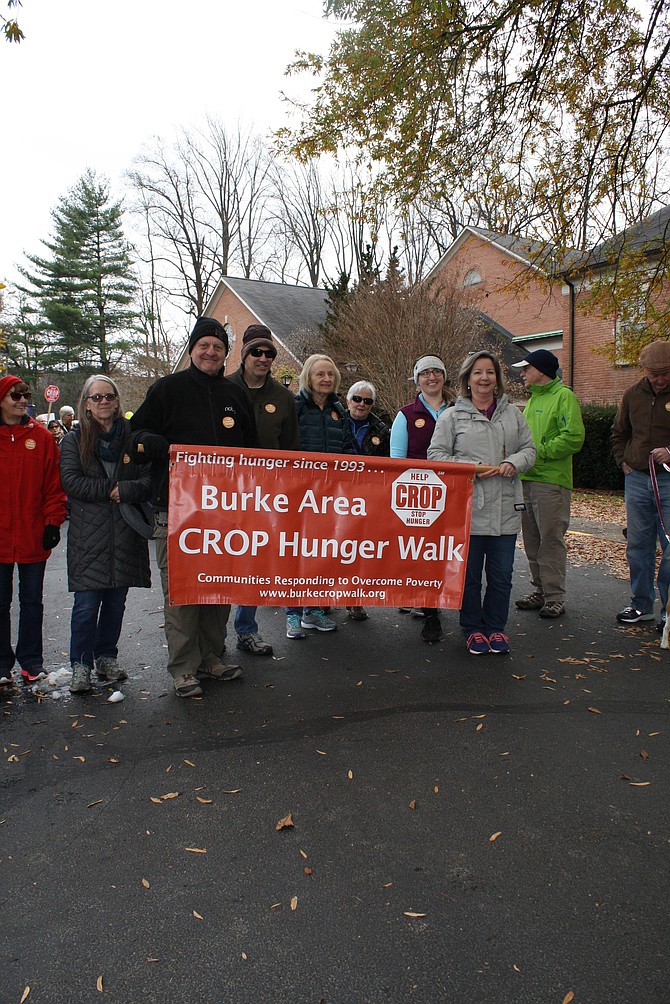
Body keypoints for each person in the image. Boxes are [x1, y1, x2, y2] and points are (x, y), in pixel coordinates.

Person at [130, 316, 256, 698]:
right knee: (183, 591)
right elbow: (136, 433)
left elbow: (252, 454)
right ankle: (184, 668)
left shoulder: (235, 396)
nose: (211, 352)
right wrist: (160, 446)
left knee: (218, 588)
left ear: (224, 355)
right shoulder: (167, 389)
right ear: (192, 350)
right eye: (204, 345)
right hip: (177, 511)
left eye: (218, 347)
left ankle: (212, 658)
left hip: (225, 512)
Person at [428, 350, 535, 655]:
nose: (484, 378)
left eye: (489, 372)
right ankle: (473, 628)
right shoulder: (451, 416)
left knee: (501, 576)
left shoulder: (513, 413)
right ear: (467, 379)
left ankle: (496, 628)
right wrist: (472, 469)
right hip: (469, 510)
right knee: (470, 577)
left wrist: (514, 462)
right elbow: (435, 457)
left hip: (505, 508)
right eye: (478, 372)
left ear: (497, 379)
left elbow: (529, 449)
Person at [60, 376, 152, 694]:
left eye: (108, 396)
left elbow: (148, 479)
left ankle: (106, 657)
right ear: (86, 402)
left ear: (116, 400)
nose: (103, 402)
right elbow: (71, 481)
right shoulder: (73, 440)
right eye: (96, 397)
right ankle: (80, 665)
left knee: (115, 604)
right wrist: (112, 489)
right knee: (86, 606)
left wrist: (124, 489)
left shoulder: (131, 438)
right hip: (89, 535)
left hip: (125, 532)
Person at [229, 324, 301, 655]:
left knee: (254, 561)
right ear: (244, 354)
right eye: (256, 352)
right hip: (223, 493)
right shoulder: (222, 389)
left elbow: (291, 450)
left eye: (269, 353)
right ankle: (210, 639)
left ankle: (246, 629)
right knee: (216, 561)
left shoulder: (283, 397)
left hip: (268, 494)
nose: (263, 358)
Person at [0, 375, 67, 686]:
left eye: (25, 395)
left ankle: (31, 661)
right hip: (1, 536)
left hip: (31, 534)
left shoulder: (41, 438)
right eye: (15, 395)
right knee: (0, 601)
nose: (22, 400)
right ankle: (1, 663)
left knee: (31, 601)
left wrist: (53, 522)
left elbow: (53, 486)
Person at [511, 349, 585, 619]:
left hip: (551, 482)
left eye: (526, 369)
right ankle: (540, 591)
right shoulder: (532, 400)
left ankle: (555, 597)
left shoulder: (564, 397)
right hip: (527, 479)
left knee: (550, 540)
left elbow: (573, 437)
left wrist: (537, 452)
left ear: (541, 370)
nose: (522, 374)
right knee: (531, 540)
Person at [286, 353, 354, 639]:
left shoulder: (339, 410)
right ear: (308, 377)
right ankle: (292, 613)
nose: (326, 379)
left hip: (330, 496)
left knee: (321, 553)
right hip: (299, 494)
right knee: (294, 553)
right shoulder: (295, 407)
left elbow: (349, 448)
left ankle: (313, 610)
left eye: (330, 374)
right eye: (320, 374)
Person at [390, 355, 453, 643]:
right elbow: (396, 461)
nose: (431, 377)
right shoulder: (406, 414)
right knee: (424, 550)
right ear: (417, 380)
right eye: (425, 373)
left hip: (454, 492)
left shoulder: (459, 410)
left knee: (447, 549)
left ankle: (441, 596)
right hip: (420, 496)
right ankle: (430, 611)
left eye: (436, 372)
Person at [612, 340, 670, 627]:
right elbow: (619, 431)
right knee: (638, 544)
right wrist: (624, 460)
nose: (659, 379)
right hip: (636, 479)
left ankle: (668, 611)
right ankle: (641, 604)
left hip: (668, 480)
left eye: (665, 373)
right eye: (653, 373)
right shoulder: (633, 394)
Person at [344, 379, 390, 620]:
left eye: (367, 400)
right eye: (357, 399)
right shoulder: (334, 421)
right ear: (348, 400)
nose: (361, 404)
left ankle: (355, 599)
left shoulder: (382, 430)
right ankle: (322, 597)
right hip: (335, 496)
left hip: (367, 499)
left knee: (358, 549)